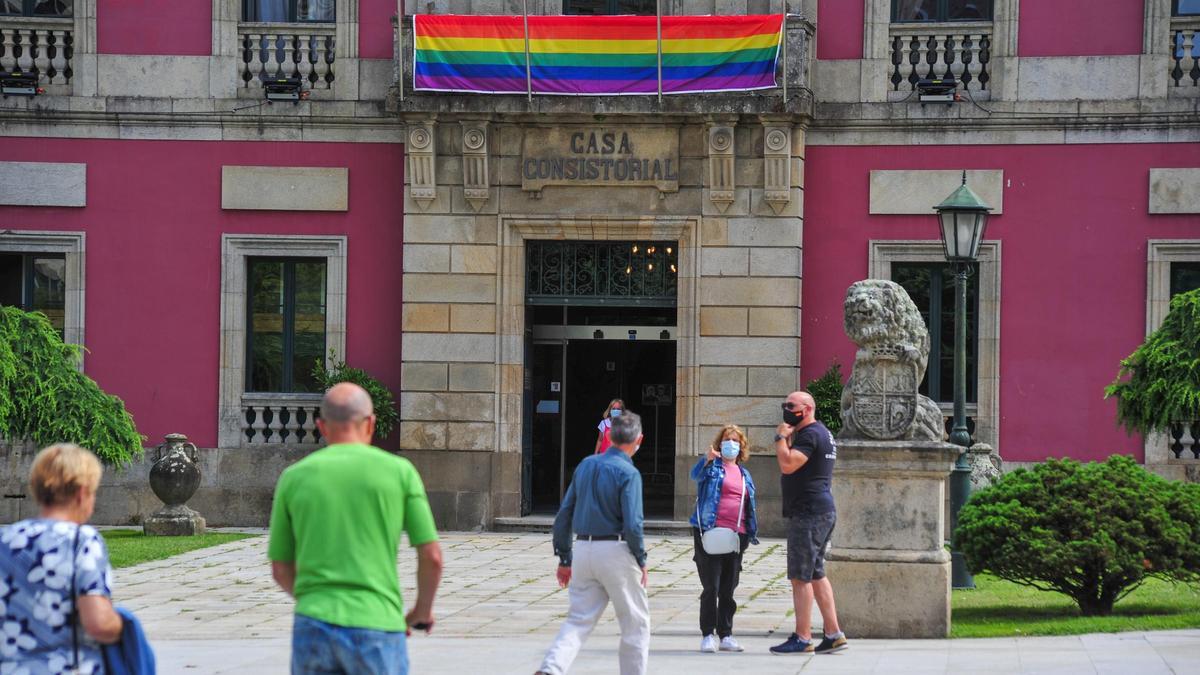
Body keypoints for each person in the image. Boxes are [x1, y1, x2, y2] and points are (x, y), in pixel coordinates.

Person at [268, 382, 444, 675]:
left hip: (313, 622)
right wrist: (420, 611)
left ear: (322, 426)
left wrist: (315, 600)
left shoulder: (293, 477)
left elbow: (280, 568)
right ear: (371, 423)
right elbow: (432, 557)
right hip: (377, 621)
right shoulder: (400, 472)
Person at [536, 410, 650, 675]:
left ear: (608, 436)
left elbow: (564, 515)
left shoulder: (586, 465)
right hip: (616, 550)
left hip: (584, 549)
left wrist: (565, 558)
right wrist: (641, 559)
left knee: (578, 619)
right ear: (639, 440)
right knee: (635, 624)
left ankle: (551, 668)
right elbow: (633, 524)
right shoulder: (629, 473)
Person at [0, 444, 123, 673]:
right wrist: (122, 624)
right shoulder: (81, 541)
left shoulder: (5, 539)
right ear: (82, 493)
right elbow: (98, 624)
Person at [769, 391, 849, 655]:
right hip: (820, 510)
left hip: (809, 513)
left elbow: (788, 464)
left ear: (807, 408)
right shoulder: (822, 433)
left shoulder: (811, 434)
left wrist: (781, 437)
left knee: (800, 576)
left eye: (791, 406)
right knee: (815, 573)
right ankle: (834, 633)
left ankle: (803, 638)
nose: (786, 409)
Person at [689, 424, 759, 654]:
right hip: (709, 531)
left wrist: (748, 532)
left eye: (736, 440)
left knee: (729, 587)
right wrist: (706, 459)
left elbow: (748, 505)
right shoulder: (711, 468)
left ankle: (726, 634)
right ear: (720, 444)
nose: (731, 444)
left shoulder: (744, 473)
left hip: (736, 536)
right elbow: (694, 476)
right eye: (727, 440)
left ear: (741, 447)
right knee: (711, 586)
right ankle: (707, 633)